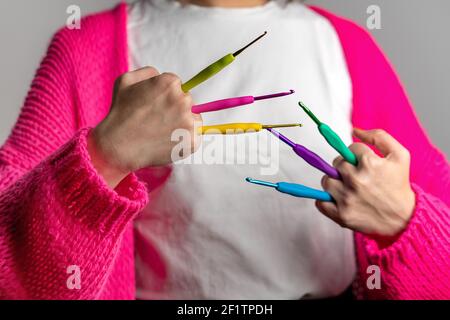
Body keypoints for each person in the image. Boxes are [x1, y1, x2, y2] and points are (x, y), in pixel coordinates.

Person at [0, 0, 448, 300]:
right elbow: (10, 274)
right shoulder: (85, 49)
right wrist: (105, 156)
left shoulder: (347, 44)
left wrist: (405, 220)